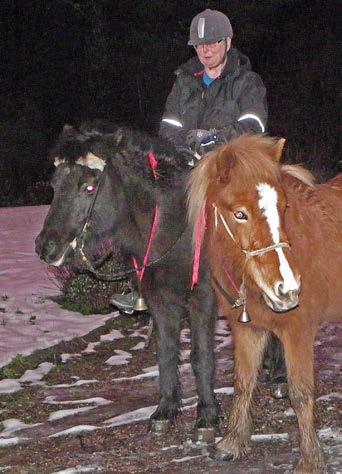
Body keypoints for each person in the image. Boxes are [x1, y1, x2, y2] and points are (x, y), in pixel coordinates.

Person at [111, 8, 267, 313]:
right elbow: (169, 126)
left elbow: (254, 124)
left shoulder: (247, 81)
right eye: (200, 45)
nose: (205, 51)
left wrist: (215, 139)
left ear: (227, 42)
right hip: (186, 164)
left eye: (212, 44)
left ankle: (255, 284)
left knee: (249, 213)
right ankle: (145, 285)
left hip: (229, 165)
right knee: (145, 202)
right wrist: (179, 149)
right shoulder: (184, 81)